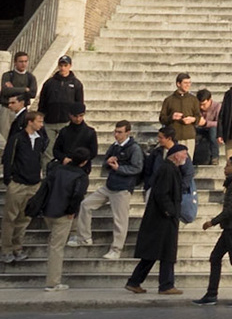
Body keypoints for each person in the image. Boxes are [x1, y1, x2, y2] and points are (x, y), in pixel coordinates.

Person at [125, 140, 190, 295]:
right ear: (176, 156)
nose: (186, 157)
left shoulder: (169, 168)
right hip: (163, 219)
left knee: (153, 253)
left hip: (162, 217)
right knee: (167, 252)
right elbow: (162, 194)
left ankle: (135, 281)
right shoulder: (168, 170)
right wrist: (170, 212)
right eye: (184, 154)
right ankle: (166, 285)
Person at [76, 119, 143, 257]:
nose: (116, 134)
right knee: (86, 204)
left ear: (128, 133)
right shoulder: (115, 146)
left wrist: (119, 168)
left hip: (123, 188)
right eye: (115, 131)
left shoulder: (134, 148)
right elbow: (105, 163)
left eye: (119, 132)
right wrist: (108, 162)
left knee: (120, 220)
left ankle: (116, 249)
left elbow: (137, 168)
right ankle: (84, 238)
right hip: (110, 185)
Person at [38, 121, 92, 292]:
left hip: (49, 210)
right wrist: (71, 212)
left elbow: (46, 188)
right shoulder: (81, 176)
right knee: (57, 247)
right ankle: (53, 282)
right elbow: (77, 196)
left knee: (54, 242)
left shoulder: (57, 170)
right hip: (63, 214)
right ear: (83, 162)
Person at [194, 154, 232, 305]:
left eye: (228, 165)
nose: (225, 168)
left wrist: (212, 222)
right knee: (216, 257)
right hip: (231, 227)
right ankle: (212, 294)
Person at [1, 110, 43, 262]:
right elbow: (8, 158)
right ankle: (6, 249)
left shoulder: (39, 139)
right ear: (30, 122)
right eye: (39, 121)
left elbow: (39, 158)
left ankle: (17, 248)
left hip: (33, 184)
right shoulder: (17, 138)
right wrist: (9, 179)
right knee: (10, 218)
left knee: (24, 219)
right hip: (18, 183)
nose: (41, 124)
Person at [38, 54, 85, 145]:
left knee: (66, 146)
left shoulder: (77, 84)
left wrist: (76, 119)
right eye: (61, 65)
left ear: (70, 66)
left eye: (65, 65)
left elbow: (79, 103)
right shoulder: (49, 83)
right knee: (48, 149)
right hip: (49, 121)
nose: (63, 68)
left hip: (67, 121)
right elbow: (42, 102)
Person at [193, 89, 218, 167]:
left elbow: (220, 123)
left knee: (213, 134)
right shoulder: (196, 107)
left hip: (212, 127)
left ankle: (215, 157)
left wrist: (206, 123)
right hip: (199, 127)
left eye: (204, 104)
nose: (201, 107)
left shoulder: (217, 106)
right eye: (200, 104)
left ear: (209, 100)